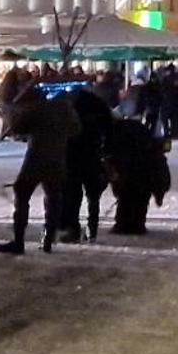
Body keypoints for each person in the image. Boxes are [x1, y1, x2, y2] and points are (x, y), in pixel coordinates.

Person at [0, 85, 80, 255]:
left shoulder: (35, 109)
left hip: (36, 159)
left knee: (22, 194)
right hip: (57, 159)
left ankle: (19, 242)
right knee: (54, 198)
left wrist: (11, 113)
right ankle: (48, 240)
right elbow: (76, 129)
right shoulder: (64, 109)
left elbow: (18, 128)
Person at [56, 86, 115, 242]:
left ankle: (71, 228)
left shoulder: (68, 106)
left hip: (72, 156)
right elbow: (109, 130)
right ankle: (92, 230)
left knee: (71, 194)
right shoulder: (98, 107)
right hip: (92, 155)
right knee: (93, 196)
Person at [104, 117, 171, 234]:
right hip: (145, 168)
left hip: (129, 168)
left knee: (126, 196)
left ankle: (124, 224)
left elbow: (111, 155)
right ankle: (137, 224)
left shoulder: (115, 134)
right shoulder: (137, 130)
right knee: (140, 197)